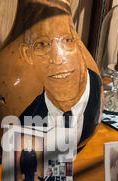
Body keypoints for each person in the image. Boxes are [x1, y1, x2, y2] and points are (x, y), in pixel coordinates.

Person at [18, 13, 102, 144]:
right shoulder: (25, 123)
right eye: (42, 44)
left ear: (78, 45)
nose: (57, 59)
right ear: (28, 55)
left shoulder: (96, 88)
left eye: (67, 40)